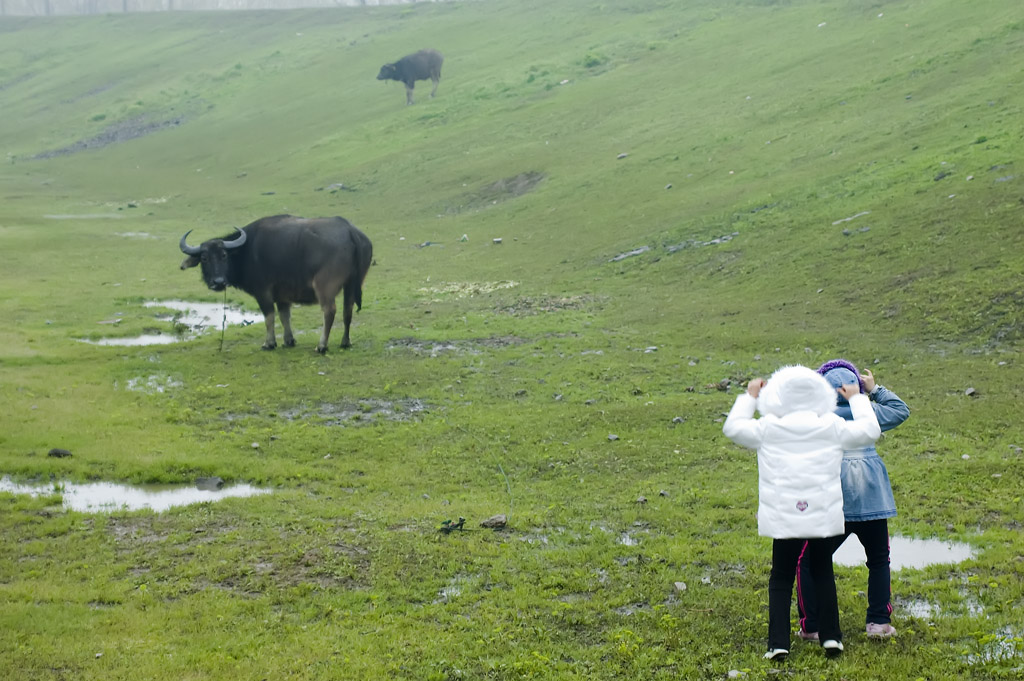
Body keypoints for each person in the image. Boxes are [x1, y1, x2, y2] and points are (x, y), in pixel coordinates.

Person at [723, 365, 881, 661]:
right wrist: (857, 398)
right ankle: (832, 638)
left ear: (777, 397)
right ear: (819, 395)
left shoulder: (768, 427)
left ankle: (778, 644)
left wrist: (750, 398)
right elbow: (870, 431)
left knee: (781, 578)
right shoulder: (832, 425)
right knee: (822, 571)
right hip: (821, 515)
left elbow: (732, 428)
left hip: (784, 517)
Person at [796, 360, 910, 640]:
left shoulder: (819, 416)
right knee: (879, 559)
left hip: (835, 502)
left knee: (809, 561)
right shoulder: (868, 412)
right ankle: (879, 623)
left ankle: (813, 625)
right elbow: (900, 410)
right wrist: (874, 390)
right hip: (873, 500)